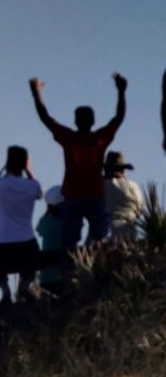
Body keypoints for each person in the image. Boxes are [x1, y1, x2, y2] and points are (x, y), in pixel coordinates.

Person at [30, 73, 126, 249]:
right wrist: (121, 91)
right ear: (93, 121)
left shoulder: (68, 138)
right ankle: (97, 269)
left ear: (75, 121)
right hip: (95, 193)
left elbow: (46, 118)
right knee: (99, 238)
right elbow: (118, 118)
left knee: (69, 241)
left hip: (73, 194)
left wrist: (36, 93)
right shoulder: (100, 139)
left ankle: (69, 270)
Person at [0, 146, 42, 303]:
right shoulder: (32, 185)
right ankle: (24, 286)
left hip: (3, 243)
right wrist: (29, 171)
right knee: (34, 262)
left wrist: (3, 170)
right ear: (25, 163)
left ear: (7, 163)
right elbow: (40, 194)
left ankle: (5, 291)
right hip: (26, 242)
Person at [104, 151, 143, 240]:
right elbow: (139, 211)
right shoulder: (132, 186)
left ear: (105, 169)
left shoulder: (97, 187)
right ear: (123, 170)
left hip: (101, 237)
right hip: (127, 236)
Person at [36, 186, 65, 294]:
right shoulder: (66, 223)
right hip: (62, 275)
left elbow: (39, 230)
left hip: (45, 276)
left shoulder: (44, 220)